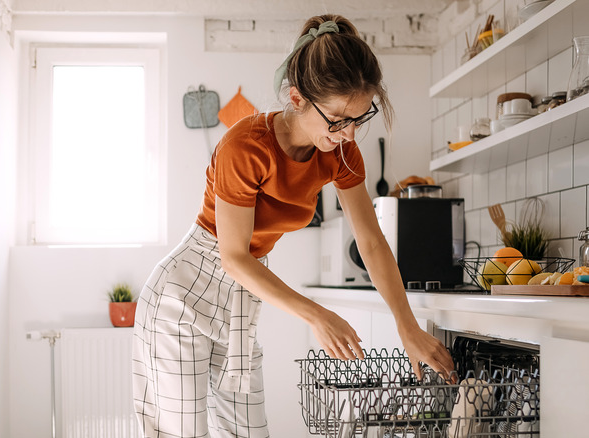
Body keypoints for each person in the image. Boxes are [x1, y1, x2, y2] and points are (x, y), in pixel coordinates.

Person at [132, 14, 455, 438]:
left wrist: (407, 326)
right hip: (184, 295)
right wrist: (317, 315)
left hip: (241, 302)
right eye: (338, 119)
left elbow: (372, 242)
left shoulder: (341, 152)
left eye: (360, 118)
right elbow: (232, 256)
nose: (348, 134)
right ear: (298, 97)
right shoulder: (245, 146)